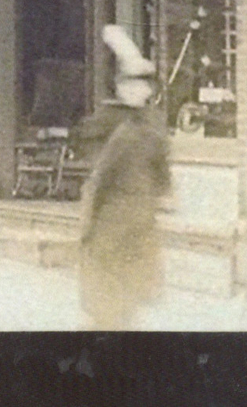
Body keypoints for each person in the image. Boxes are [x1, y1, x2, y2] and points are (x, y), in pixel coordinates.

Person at [76, 25, 172, 330]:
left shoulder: (153, 124)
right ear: (119, 87)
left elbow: (161, 168)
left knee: (132, 296)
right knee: (108, 303)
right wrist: (90, 222)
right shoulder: (111, 123)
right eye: (129, 85)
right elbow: (98, 177)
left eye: (143, 86)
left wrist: (163, 193)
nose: (137, 91)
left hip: (140, 221)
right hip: (112, 221)